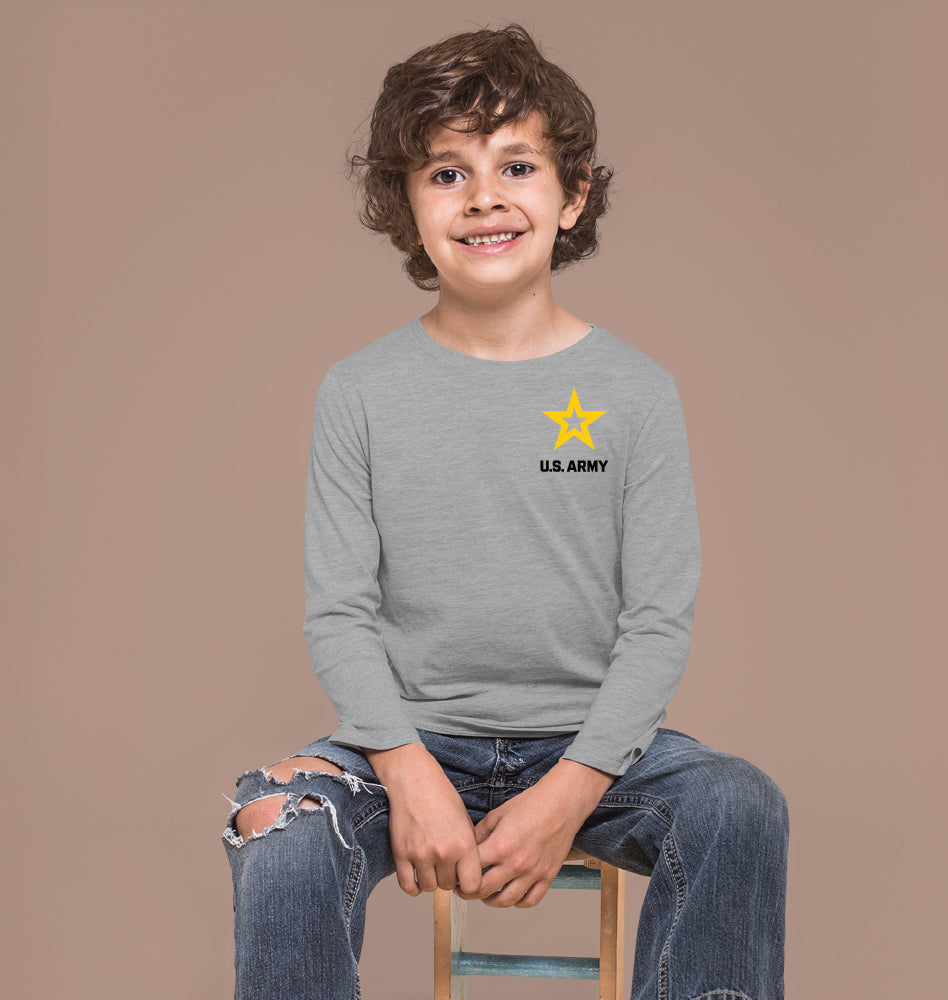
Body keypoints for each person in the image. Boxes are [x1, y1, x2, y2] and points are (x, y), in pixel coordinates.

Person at [221, 22, 788, 1000]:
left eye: (516, 166)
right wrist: (408, 773)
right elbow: (340, 612)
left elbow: (656, 621)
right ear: (406, 208)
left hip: (593, 748)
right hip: (406, 740)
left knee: (739, 805)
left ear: (572, 196)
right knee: (277, 823)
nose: (483, 196)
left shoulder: (635, 392)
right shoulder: (359, 391)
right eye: (446, 174)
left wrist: (569, 790)